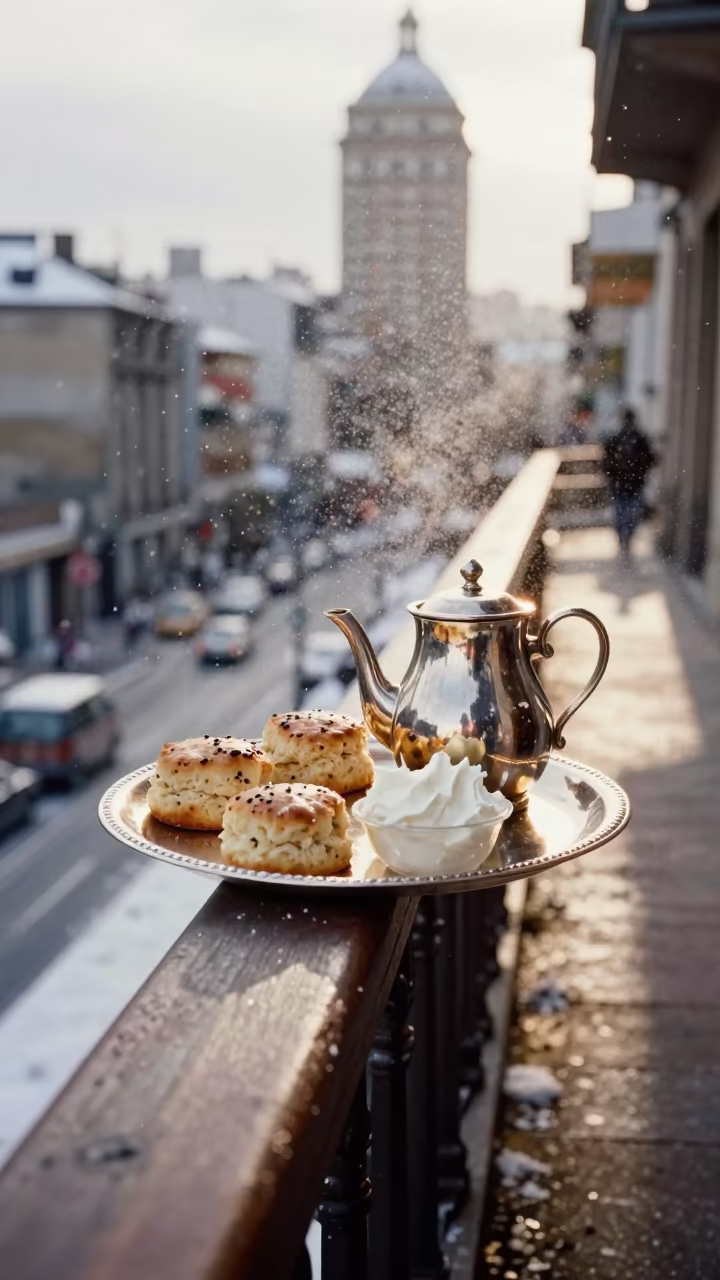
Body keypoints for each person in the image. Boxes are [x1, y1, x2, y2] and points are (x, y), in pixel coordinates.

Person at [603, 407, 655, 557]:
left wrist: (611, 476)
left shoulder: (617, 438)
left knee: (621, 513)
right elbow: (650, 459)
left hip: (620, 484)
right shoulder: (640, 438)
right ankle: (627, 539)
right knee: (631, 514)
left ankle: (623, 539)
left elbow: (606, 461)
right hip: (634, 484)